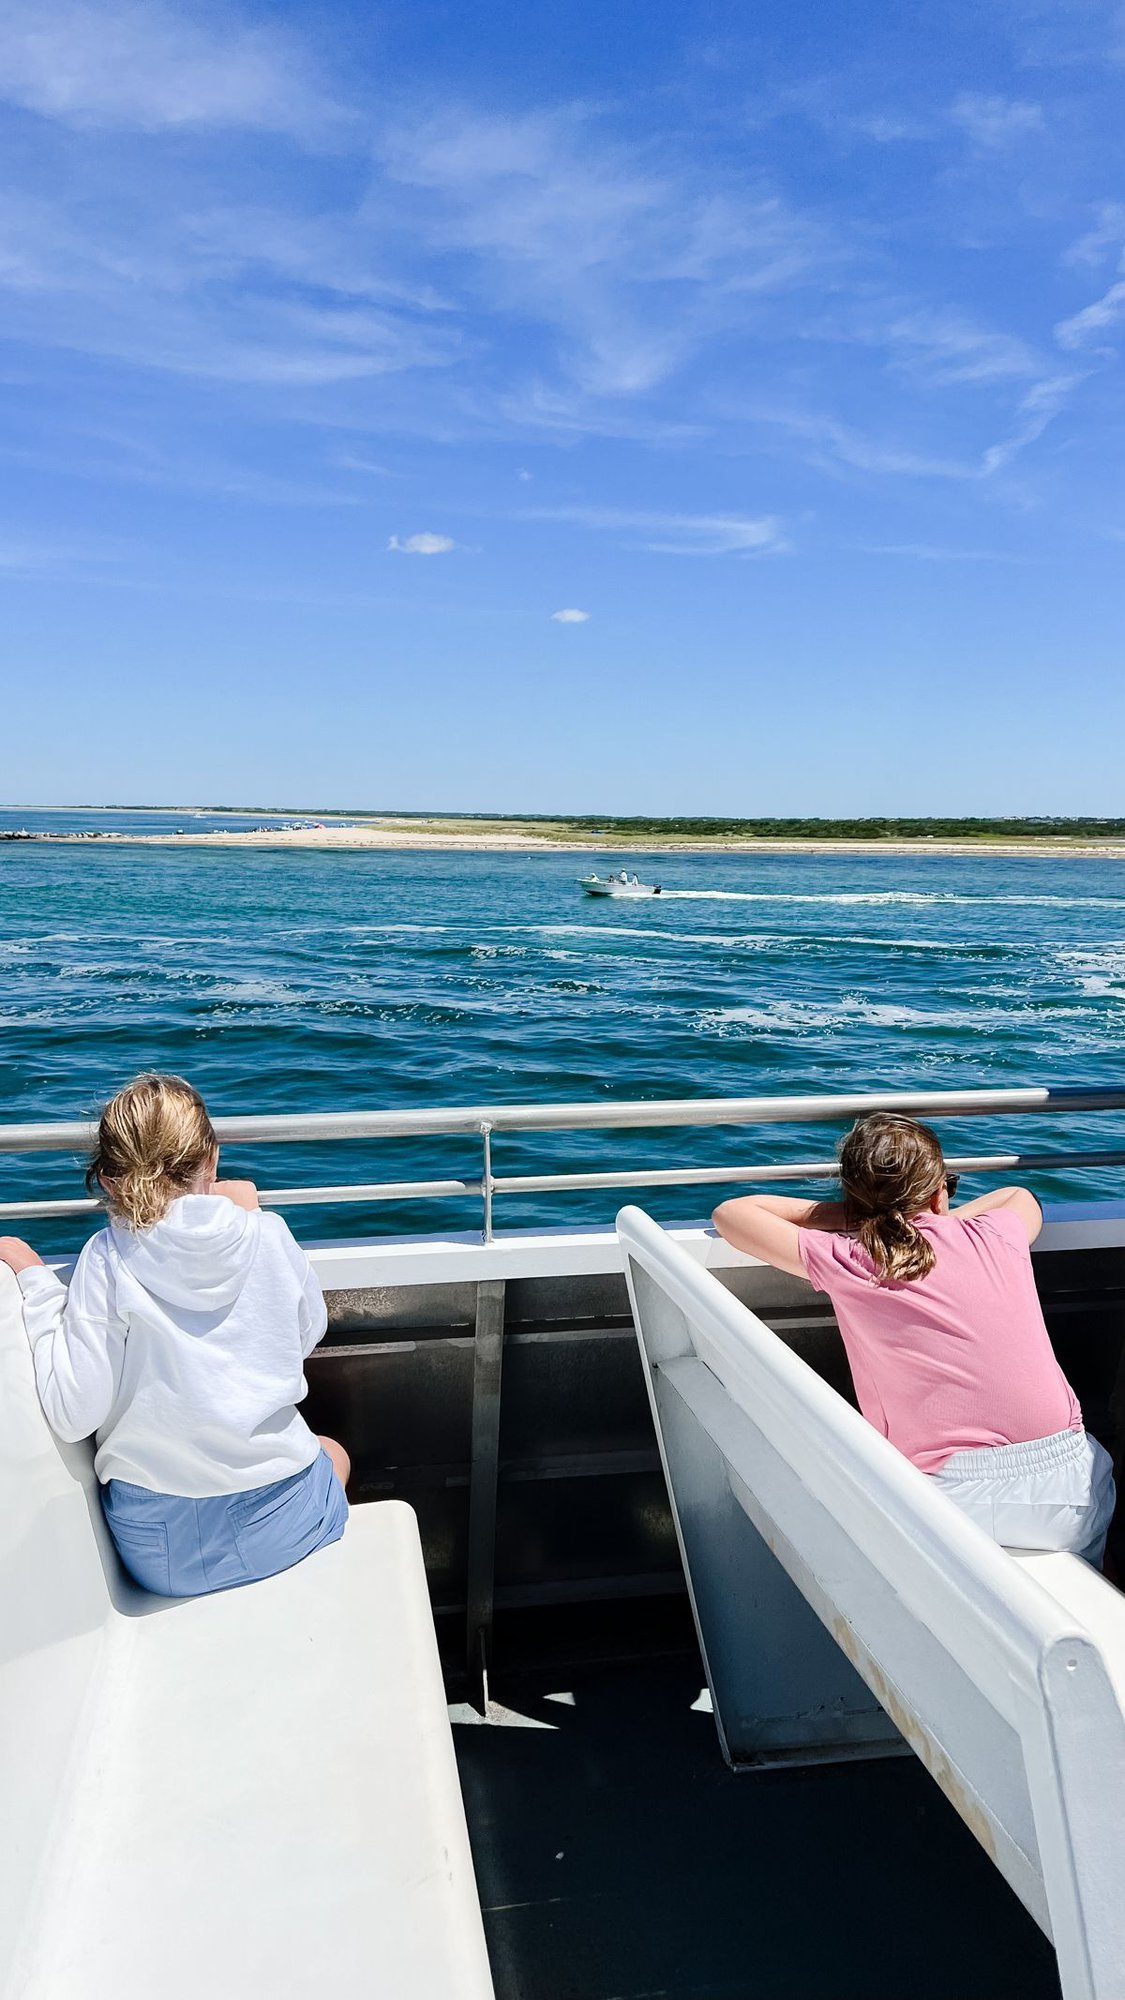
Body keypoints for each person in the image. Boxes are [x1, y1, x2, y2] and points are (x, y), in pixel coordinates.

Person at [0, 1072, 349, 1598]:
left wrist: (37, 1284)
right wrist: (251, 1218)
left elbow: (75, 1413)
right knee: (335, 1453)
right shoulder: (267, 1233)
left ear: (111, 1180)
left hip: (164, 1553)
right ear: (213, 1157)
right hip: (283, 1523)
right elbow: (303, 1337)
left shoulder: (107, 1257)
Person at [712, 1111, 1115, 1567]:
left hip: (955, 1498)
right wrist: (936, 1215)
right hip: (1073, 1485)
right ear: (939, 1192)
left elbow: (732, 1214)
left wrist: (864, 1217)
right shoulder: (998, 1235)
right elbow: (1018, 1194)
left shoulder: (853, 1259)